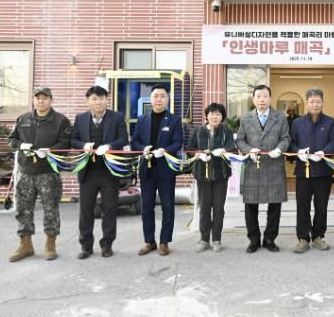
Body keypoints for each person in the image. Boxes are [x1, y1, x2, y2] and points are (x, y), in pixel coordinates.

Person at [7, 86, 72, 262]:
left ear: (51, 100)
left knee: (51, 209)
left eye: (45, 98)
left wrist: (51, 150)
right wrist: (21, 145)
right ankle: (25, 245)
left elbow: (66, 144)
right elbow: (11, 140)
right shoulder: (23, 119)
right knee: (23, 209)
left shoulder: (61, 121)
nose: (41, 101)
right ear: (33, 100)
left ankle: (50, 244)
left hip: (48, 172)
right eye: (38, 98)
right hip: (25, 172)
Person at [70, 86, 128, 259]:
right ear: (88, 101)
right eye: (94, 99)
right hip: (88, 171)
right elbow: (73, 139)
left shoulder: (117, 117)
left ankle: (107, 244)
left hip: (109, 171)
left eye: (102, 98)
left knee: (109, 209)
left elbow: (123, 139)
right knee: (86, 210)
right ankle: (86, 246)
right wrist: (83, 145)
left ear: (106, 100)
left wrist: (109, 146)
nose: (98, 102)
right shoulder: (80, 118)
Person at [235, 84, 291, 253]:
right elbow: (239, 140)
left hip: (274, 165)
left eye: (265, 96)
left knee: (275, 205)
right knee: (250, 205)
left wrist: (279, 149)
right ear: (253, 99)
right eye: (258, 96)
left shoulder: (280, 117)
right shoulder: (246, 118)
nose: (262, 99)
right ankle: (253, 239)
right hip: (253, 165)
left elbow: (286, 138)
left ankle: (269, 239)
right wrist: (248, 150)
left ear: (270, 98)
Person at [131, 84, 183, 256]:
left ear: (167, 99)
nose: (159, 99)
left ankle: (164, 242)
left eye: (162, 96)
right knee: (147, 207)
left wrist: (165, 150)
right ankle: (149, 241)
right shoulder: (142, 119)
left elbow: (178, 142)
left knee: (167, 206)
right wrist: (143, 148)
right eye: (155, 96)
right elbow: (135, 142)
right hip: (147, 169)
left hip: (165, 170)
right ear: (150, 99)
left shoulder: (174, 120)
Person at [289, 88, 334, 253]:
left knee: (321, 206)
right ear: (307, 103)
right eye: (312, 101)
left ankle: (318, 236)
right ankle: (303, 238)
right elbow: (291, 143)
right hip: (303, 171)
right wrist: (298, 152)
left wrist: (324, 152)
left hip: (323, 171)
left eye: (318, 101)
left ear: (323, 103)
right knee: (302, 206)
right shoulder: (297, 123)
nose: (315, 105)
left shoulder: (330, 122)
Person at [186, 103, 235, 253]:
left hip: (221, 174)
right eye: (212, 113)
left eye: (218, 114)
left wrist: (224, 150)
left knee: (219, 208)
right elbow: (190, 149)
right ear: (207, 116)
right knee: (205, 207)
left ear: (222, 117)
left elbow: (232, 148)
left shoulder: (226, 131)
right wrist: (198, 154)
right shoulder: (198, 131)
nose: (215, 116)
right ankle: (204, 239)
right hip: (202, 174)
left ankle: (217, 239)